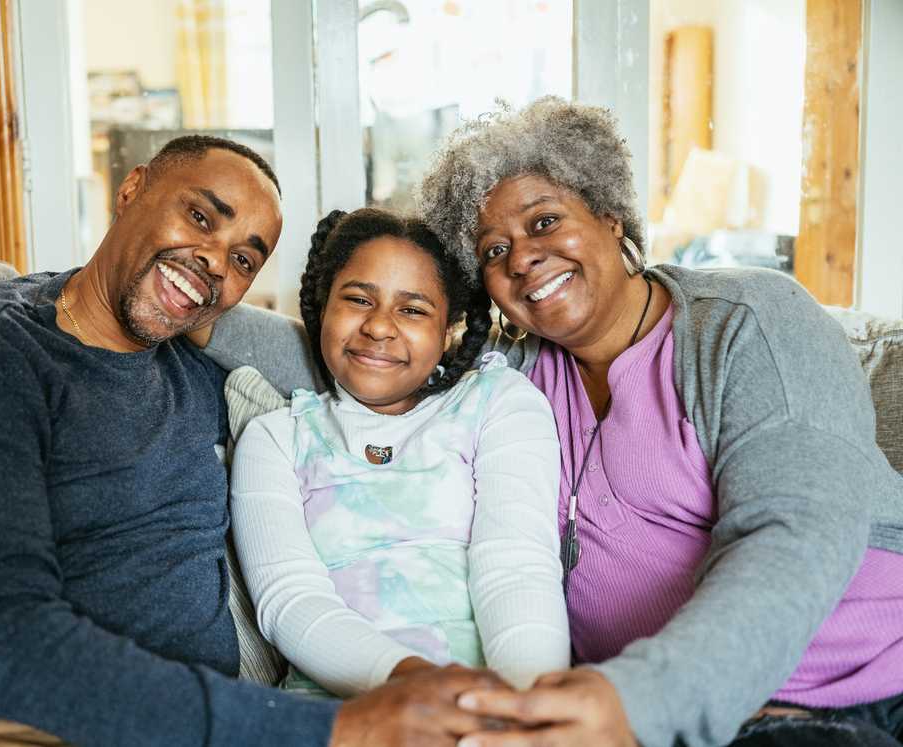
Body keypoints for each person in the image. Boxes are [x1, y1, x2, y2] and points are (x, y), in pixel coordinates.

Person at [197, 99, 903, 747]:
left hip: (833, 696)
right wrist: (154, 297)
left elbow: (797, 537)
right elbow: (347, 357)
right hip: (617, 713)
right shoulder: (516, 373)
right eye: (494, 251)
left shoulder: (745, 323)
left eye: (543, 222)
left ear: (611, 215)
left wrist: (638, 700)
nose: (524, 259)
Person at [0, 135, 515, 747]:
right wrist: (334, 727)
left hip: (203, 724)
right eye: (201, 217)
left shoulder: (197, 371)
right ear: (133, 187)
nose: (211, 262)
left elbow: (360, 362)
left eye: (243, 258)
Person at [230, 208, 569, 700]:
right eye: (357, 299)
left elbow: (517, 565)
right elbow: (289, 600)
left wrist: (527, 706)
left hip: (497, 704)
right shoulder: (276, 438)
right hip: (338, 714)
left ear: (449, 328)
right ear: (322, 306)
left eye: (412, 310)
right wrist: (421, 688)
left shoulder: (498, 402)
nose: (379, 327)